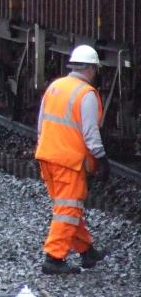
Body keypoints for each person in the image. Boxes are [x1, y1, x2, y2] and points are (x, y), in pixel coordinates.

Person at [35, 44, 109, 274]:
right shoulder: (85, 94)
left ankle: (87, 251)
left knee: (69, 206)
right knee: (68, 209)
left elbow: (41, 123)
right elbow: (90, 132)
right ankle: (54, 259)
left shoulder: (56, 87)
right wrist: (101, 157)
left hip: (47, 156)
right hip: (68, 161)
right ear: (91, 69)